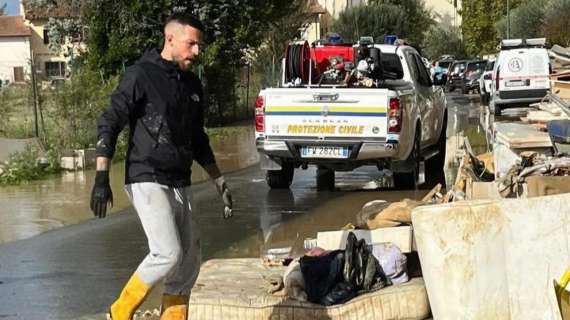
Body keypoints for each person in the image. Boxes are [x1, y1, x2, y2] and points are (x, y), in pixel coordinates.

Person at [89, 13, 233, 320]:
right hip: (146, 175)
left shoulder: (192, 84)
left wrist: (219, 181)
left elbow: (198, 139)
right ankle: (119, 312)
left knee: (189, 260)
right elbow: (110, 121)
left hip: (180, 180)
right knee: (167, 253)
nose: (197, 51)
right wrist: (102, 176)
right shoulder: (141, 75)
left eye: (199, 45)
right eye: (191, 43)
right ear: (170, 38)